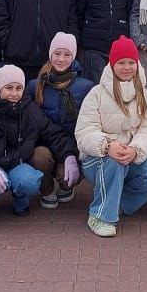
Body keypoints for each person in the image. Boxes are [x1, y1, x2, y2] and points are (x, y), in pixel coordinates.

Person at [75, 36, 147, 237]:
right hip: (98, 157)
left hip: (130, 155)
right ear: (112, 65)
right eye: (121, 63)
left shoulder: (146, 96)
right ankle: (100, 216)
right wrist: (107, 146)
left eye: (131, 63)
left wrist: (135, 149)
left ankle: (118, 203)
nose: (126, 68)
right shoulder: (96, 94)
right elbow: (84, 131)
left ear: (137, 64)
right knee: (115, 162)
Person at [0, 65, 78, 218]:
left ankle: (21, 203)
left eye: (19, 88)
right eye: (9, 88)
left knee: (30, 180)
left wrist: (68, 155)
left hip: (17, 164)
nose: (14, 93)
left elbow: (53, 133)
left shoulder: (30, 109)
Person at [27, 32, 95, 206]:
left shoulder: (86, 87)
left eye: (67, 54)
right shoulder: (36, 85)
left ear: (73, 57)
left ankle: (66, 187)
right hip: (45, 144)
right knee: (39, 157)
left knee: (68, 173)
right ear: (50, 55)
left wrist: (71, 154)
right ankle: (47, 189)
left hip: (72, 146)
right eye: (57, 53)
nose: (61, 59)